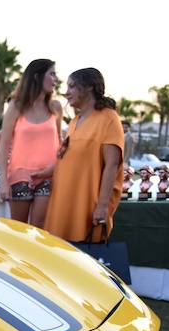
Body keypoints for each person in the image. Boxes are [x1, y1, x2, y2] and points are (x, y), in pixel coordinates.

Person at [44, 68, 124, 242]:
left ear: (89, 87)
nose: (66, 93)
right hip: (62, 202)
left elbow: (112, 165)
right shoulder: (74, 121)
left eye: (72, 86)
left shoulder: (109, 118)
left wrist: (102, 207)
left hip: (87, 205)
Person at [0, 59, 63, 227]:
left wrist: (58, 167)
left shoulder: (55, 107)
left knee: (40, 230)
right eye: (52, 74)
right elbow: (3, 146)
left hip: (48, 175)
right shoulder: (16, 106)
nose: (56, 79)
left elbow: (60, 142)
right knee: (19, 230)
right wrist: (3, 182)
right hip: (20, 176)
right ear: (36, 76)